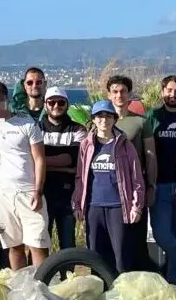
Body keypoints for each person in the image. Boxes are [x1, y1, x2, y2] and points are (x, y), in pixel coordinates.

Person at [0, 81, 50, 270]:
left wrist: (38, 191)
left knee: (38, 245)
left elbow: (40, 159)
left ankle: (42, 284)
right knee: (14, 246)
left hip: (28, 192)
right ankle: (20, 284)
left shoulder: (27, 124)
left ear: (6, 98)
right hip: (3, 194)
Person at [72, 100, 145, 274]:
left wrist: (137, 206)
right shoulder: (86, 145)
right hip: (94, 207)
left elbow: (136, 178)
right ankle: (100, 289)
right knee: (96, 257)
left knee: (120, 258)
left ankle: (120, 289)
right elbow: (80, 177)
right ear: (93, 120)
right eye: (99, 116)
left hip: (118, 207)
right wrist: (78, 204)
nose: (104, 120)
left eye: (108, 116)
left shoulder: (125, 145)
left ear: (114, 119)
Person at [106, 74, 157, 267]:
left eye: (123, 91)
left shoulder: (141, 122)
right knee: (112, 240)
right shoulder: (101, 121)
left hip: (135, 187)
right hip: (109, 189)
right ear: (109, 95)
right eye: (115, 91)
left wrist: (151, 186)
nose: (119, 95)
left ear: (129, 94)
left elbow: (150, 155)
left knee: (136, 238)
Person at [148, 75, 176, 287]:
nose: (173, 94)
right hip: (160, 185)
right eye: (169, 90)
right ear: (162, 92)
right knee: (163, 236)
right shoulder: (153, 116)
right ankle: (172, 280)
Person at [39, 87, 86, 250]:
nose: (56, 106)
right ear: (45, 105)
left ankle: (68, 268)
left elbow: (71, 159)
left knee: (68, 244)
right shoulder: (35, 129)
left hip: (68, 195)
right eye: (51, 102)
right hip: (41, 195)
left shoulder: (78, 129)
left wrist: (40, 161)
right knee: (40, 243)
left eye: (61, 102)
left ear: (67, 104)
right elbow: (30, 160)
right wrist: (65, 167)